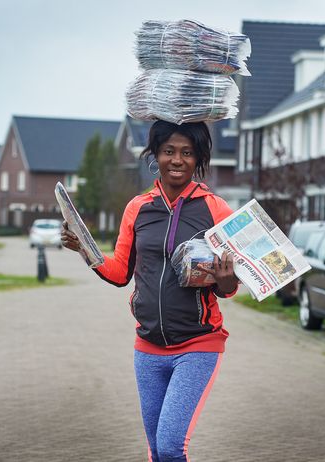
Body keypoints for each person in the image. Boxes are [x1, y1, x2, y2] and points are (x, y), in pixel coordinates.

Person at [62, 120, 239, 461]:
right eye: (168, 151)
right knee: (157, 450)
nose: (177, 159)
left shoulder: (215, 209)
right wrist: (86, 250)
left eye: (187, 153)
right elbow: (119, 273)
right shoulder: (138, 207)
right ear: (155, 155)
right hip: (147, 348)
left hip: (198, 344)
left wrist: (226, 278)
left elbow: (228, 289)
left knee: (172, 446)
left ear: (199, 157)